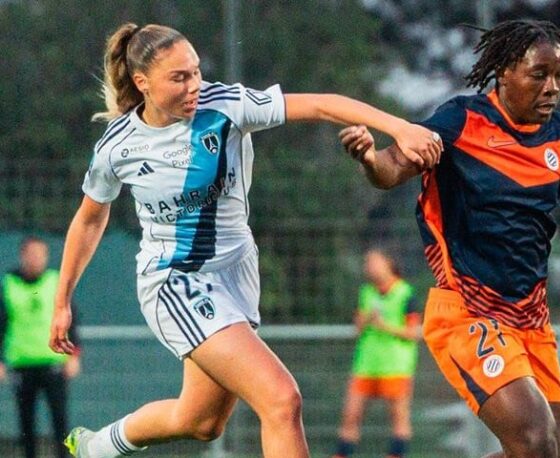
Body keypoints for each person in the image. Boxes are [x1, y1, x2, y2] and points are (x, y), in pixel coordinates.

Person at [48, 22, 442, 458]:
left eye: (196, 72)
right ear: (142, 83)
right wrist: (62, 299)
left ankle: (96, 447)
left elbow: (322, 105)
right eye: (179, 77)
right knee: (281, 398)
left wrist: (399, 128)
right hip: (175, 281)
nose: (195, 85)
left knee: (200, 422)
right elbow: (88, 220)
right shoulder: (117, 146)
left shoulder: (226, 106)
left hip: (237, 273)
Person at [339, 18, 560, 458]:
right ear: (504, 72)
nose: (552, 88)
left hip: (532, 321)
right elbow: (392, 168)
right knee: (534, 438)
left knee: (551, 453)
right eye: (539, 75)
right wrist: (370, 157)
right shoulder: (461, 121)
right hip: (468, 312)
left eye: (559, 75)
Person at [333, 248, 421, 458]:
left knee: (399, 418)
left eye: (374, 262)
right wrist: (366, 319)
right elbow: (358, 326)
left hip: (396, 365)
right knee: (351, 415)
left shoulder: (405, 293)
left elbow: (414, 332)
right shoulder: (367, 292)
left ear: (388, 263)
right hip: (366, 363)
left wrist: (384, 325)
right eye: (367, 263)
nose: (369, 267)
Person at [0, 236, 81, 458]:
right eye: (31, 254)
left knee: (60, 420)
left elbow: (72, 320)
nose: (36, 259)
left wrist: (74, 355)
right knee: (26, 422)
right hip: (22, 363)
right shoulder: (8, 285)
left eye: (40, 254)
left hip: (54, 362)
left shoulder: (56, 281)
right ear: (22, 255)